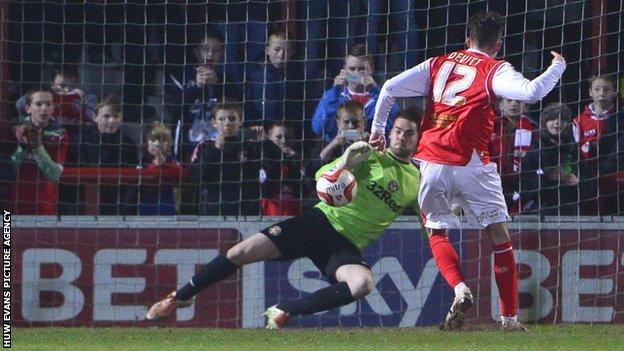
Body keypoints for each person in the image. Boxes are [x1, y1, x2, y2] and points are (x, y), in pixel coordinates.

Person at [369, 11, 566, 331]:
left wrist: (378, 129)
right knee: (499, 236)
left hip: (431, 161)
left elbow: (390, 87)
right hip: (472, 162)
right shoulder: (495, 68)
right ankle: (509, 319)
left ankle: (460, 289)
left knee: (436, 231)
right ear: (498, 45)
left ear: (467, 40)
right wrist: (558, 66)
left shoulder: (438, 63)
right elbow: (531, 92)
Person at [146, 112, 421, 328]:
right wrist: (344, 165)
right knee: (239, 252)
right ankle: (179, 297)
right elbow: (320, 178)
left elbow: (429, 212)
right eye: (397, 130)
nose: (401, 137)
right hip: (316, 223)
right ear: (390, 131)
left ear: (418, 138)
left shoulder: (417, 180)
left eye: (409, 133)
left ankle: (285, 310)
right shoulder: (369, 155)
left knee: (363, 284)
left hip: (345, 245)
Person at [311, 43, 399, 143]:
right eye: (352, 69)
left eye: (362, 69)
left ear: (372, 69)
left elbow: (392, 127)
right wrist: (334, 93)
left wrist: (376, 92)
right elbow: (318, 128)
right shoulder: (333, 97)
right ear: (344, 70)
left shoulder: (381, 98)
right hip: (337, 152)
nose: (356, 74)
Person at [189, 101, 262, 216]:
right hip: (214, 209)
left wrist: (264, 144)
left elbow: (267, 173)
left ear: (241, 121)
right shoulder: (205, 147)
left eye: (232, 119)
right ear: (214, 122)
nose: (227, 123)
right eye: (222, 119)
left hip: (246, 210)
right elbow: (196, 177)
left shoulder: (250, 146)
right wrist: (216, 150)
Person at [521, 103, 593, 215]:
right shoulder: (534, 151)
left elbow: (588, 181)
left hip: (570, 208)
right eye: (552, 119)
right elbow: (525, 187)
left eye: (562, 119)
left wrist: (578, 181)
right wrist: (547, 177)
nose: (557, 122)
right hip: (542, 208)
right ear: (544, 123)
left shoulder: (573, 149)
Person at [7, 90, 68, 215]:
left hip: (44, 207)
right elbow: (8, 170)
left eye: (48, 104)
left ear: (53, 109)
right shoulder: (13, 131)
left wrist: (37, 147)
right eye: (39, 104)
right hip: (10, 206)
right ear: (28, 108)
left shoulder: (60, 135)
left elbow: (54, 175)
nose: (44, 108)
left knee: (45, 235)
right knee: (7, 235)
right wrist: (22, 147)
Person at [572, 75, 623, 215]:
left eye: (606, 89)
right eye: (597, 89)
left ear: (614, 92)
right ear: (590, 92)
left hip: (616, 180)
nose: (601, 93)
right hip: (588, 177)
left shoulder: (620, 118)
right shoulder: (579, 121)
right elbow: (575, 151)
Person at [80, 96, 139, 215]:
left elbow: (130, 182)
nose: (112, 121)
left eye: (116, 116)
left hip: (118, 203)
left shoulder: (128, 145)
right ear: (95, 117)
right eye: (106, 116)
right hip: (86, 200)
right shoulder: (83, 139)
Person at [489, 98, 536, 213]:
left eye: (518, 101)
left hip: (523, 182)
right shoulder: (490, 127)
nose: (514, 104)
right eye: (509, 101)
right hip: (494, 180)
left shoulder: (534, 129)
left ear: (525, 106)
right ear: (500, 105)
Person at [138, 122, 186, 216]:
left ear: (169, 143)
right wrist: (154, 166)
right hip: (146, 204)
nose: (157, 144)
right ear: (146, 142)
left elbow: (182, 176)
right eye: (153, 140)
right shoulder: (141, 161)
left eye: (162, 140)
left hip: (167, 205)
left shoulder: (173, 161)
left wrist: (165, 166)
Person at [260, 121, 302, 216]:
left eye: (288, 137)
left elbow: (301, 190)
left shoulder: (296, 161)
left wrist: (293, 162)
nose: (284, 141)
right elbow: (267, 190)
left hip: (293, 215)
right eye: (279, 137)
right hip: (268, 216)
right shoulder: (263, 163)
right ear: (269, 138)